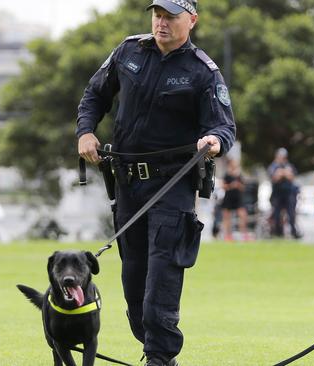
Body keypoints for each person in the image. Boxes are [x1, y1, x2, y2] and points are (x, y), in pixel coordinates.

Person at [76, 1, 236, 365]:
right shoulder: (128, 50)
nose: (161, 23)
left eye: (171, 17)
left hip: (172, 186)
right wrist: (85, 132)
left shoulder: (203, 72)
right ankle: (155, 350)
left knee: (162, 277)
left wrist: (213, 142)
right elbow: (94, 95)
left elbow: (224, 126)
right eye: (157, 15)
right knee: (133, 281)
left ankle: (159, 358)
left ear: (191, 21)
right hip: (128, 185)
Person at [267, 148, 300, 239]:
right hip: (277, 194)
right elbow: (275, 177)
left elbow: (291, 177)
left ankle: (294, 232)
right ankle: (278, 232)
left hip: (289, 194)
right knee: (276, 214)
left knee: (291, 214)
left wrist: (282, 173)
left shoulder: (289, 166)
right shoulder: (273, 166)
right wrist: (284, 173)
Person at [221, 159, 249, 241]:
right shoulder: (227, 175)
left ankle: (243, 235)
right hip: (228, 198)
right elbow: (223, 186)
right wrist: (231, 186)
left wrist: (238, 185)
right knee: (227, 218)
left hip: (238, 198)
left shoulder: (239, 175)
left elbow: (244, 187)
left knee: (243, 215)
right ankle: (228, 236)